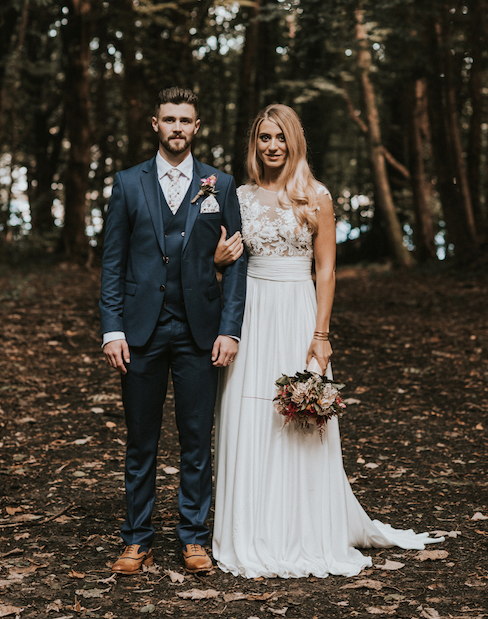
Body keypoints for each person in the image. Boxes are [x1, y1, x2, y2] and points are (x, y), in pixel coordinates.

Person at [212, 103, 440, 578]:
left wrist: (320, 334)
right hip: (251, 313)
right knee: (247, 413)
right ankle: (252, 529)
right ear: (254, 144)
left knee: (300, 421)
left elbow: (326, 268)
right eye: (263, 138)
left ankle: (305, 527)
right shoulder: (240, 195)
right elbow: (224, 264)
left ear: (294, 142)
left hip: (297, 311)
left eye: (280, 137)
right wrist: (217, 261)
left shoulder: (316, 196)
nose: (272, 146)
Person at [99, 87, 247, 575]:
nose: (177, 127)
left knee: (195, 438)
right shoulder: (127, 182)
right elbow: (113, 263)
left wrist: (230, 329)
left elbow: (238, 263)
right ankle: (137, 538)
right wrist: (111, 330)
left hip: (199, 331)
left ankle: (193, 537)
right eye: (169, 119)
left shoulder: (220, 185)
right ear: (155, 124)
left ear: (197, 126)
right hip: (139, 332)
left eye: (186, 120)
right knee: (141, 440)